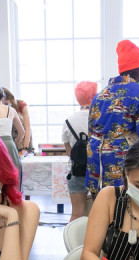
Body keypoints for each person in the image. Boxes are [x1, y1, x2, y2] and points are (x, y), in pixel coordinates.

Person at [87, 40, 139, 196]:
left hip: (96, 161)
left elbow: (91, 130)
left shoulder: (100, 95)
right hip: (122, 161)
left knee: (102, 207)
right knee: (124, 211)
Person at [62, 81, 98, 222]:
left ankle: (73, 242)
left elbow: (69, 152)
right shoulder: (99, 118)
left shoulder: (69, 121)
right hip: (97, 172)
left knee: (76, 213)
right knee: (99, 212)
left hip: (77, 171)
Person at [3, 88, 32, 154]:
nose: (5, 106)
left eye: (6, 103)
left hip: (24, 139)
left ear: (10, 99)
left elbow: (27, 128)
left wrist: (25, 148)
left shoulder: (21, 105)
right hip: (11, 138)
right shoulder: (2, 109)